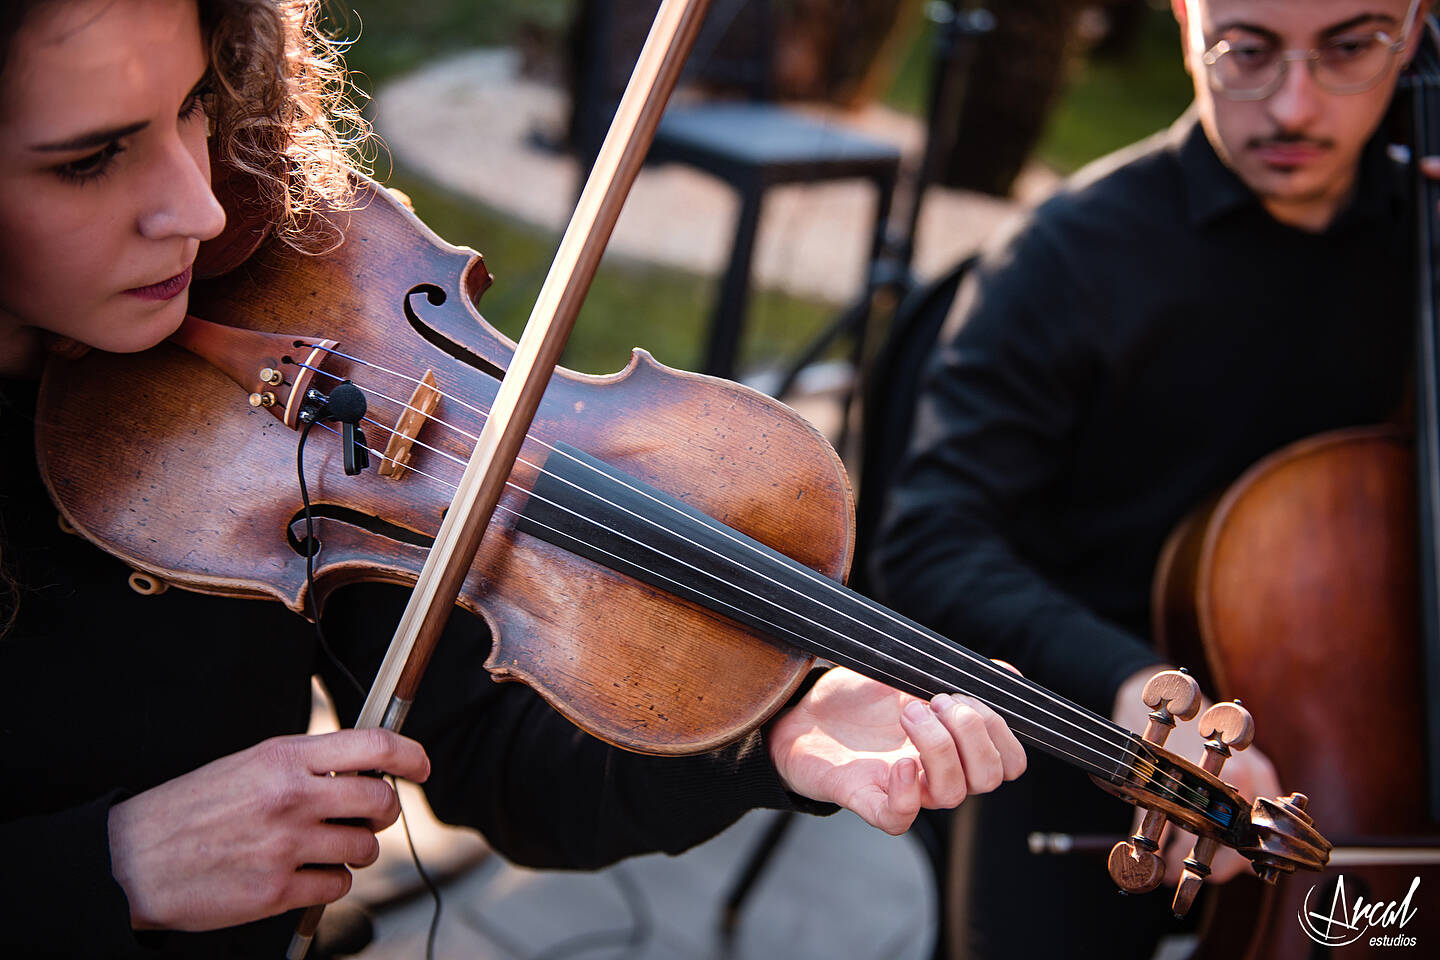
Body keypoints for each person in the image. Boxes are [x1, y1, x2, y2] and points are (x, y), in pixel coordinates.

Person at [0, 1, 1027, 956]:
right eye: (91, 159)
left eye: (192, 108)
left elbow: (494, 759)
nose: (199, 208)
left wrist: (771, 731)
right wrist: (104, 865)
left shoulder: (291, 284)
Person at [872, 0, 1428, 956]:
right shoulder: (1066, 255)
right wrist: (1129, 691)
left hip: (1367, 765)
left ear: (1415, 33)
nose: (1295, 104)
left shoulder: (1418, 234)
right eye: (1246, 51)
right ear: (1184, 23)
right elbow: (928, 541)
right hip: (1086, 743)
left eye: (1350, 46)